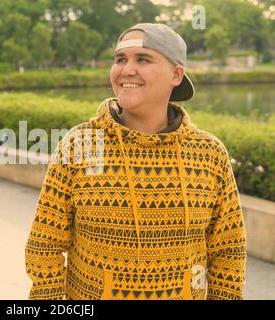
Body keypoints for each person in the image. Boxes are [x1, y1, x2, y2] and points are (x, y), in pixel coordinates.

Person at [25, 23, 247, 300]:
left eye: (143, 59)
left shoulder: (210, 153)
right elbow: (44, 247)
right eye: (120, 59)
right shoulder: (79, 144)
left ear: (176, 74)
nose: (127, 70)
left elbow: (228, 251)